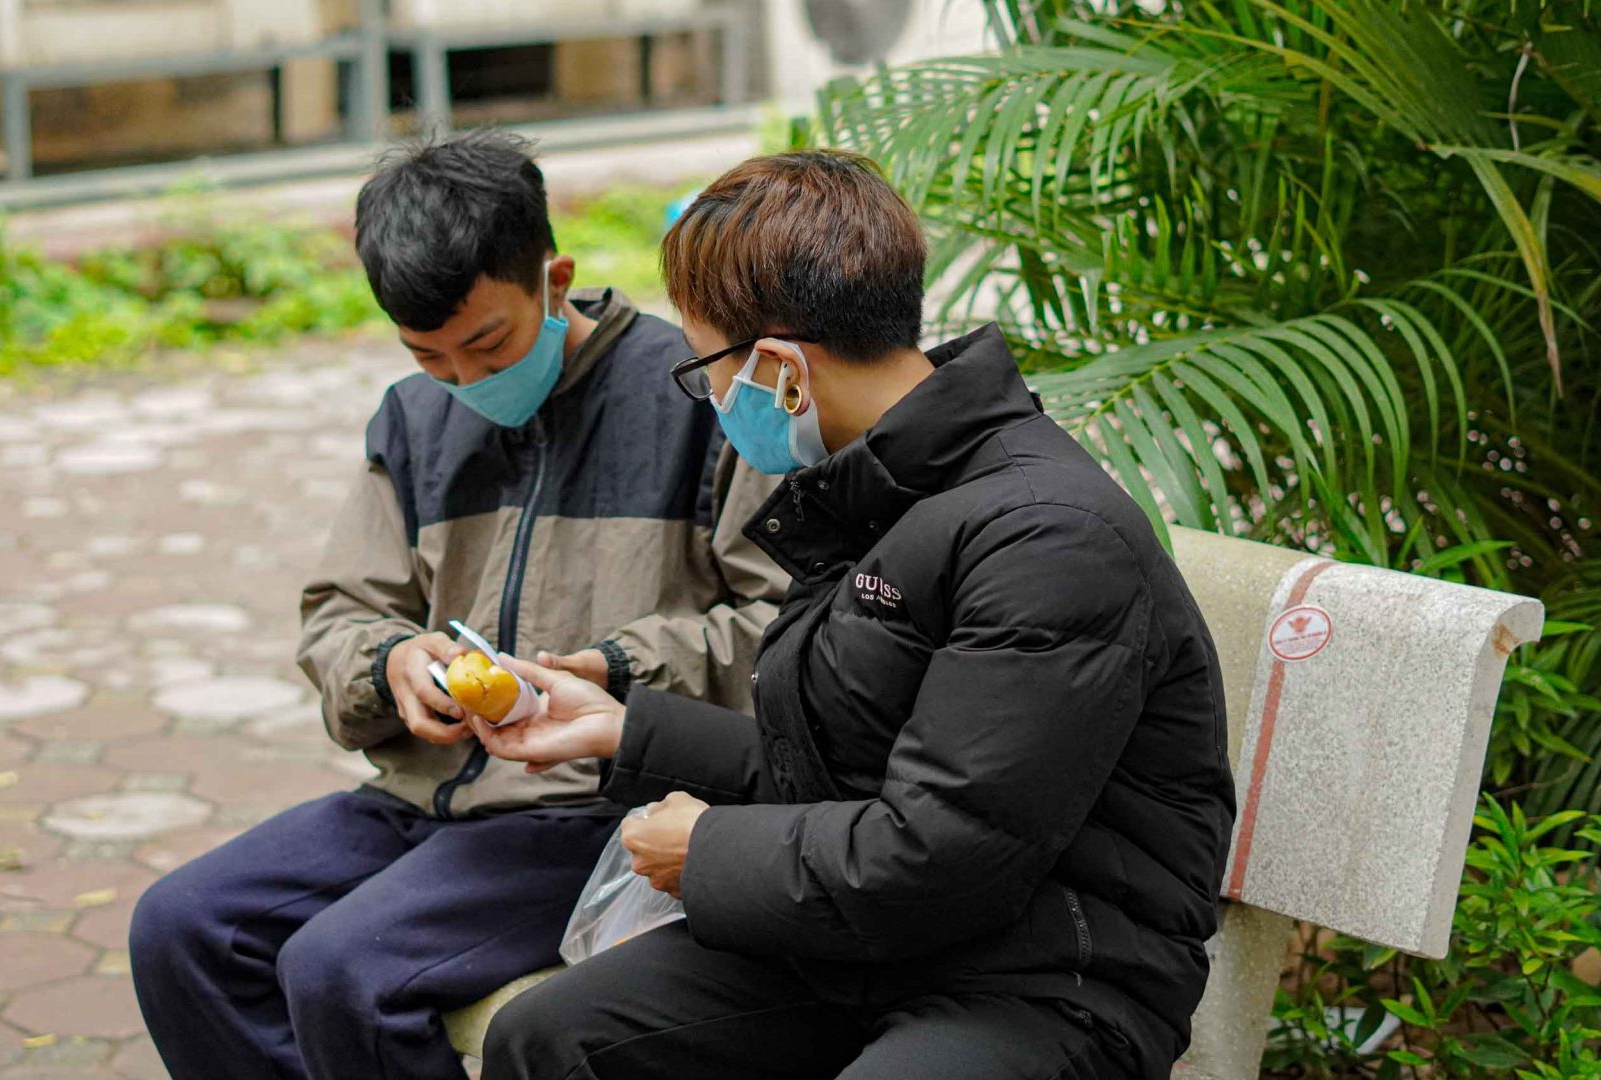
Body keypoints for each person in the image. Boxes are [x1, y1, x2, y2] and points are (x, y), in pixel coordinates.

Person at [470, 150, 1237, 1080]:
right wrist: (629, 732)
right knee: (550, 1038)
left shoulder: (1047, 537)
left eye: (703, 367)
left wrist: (705, 850)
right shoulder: (876, 488)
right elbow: (848, 768)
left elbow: (943, 853)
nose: (709, 398)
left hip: (1049, 981)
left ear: (782, 371)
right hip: (870, 949)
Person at [127, 131, 787, 1080]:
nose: (468, 384)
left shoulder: (693, 398)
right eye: (430, 357)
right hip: (420, 796)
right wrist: (390, 663)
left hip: (592, 805)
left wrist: (609, 669)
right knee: (182, 927)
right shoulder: (414, 417)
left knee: (346, 969)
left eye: (488, 344)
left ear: (553, 280)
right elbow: (343, 609)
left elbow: (778, 624)